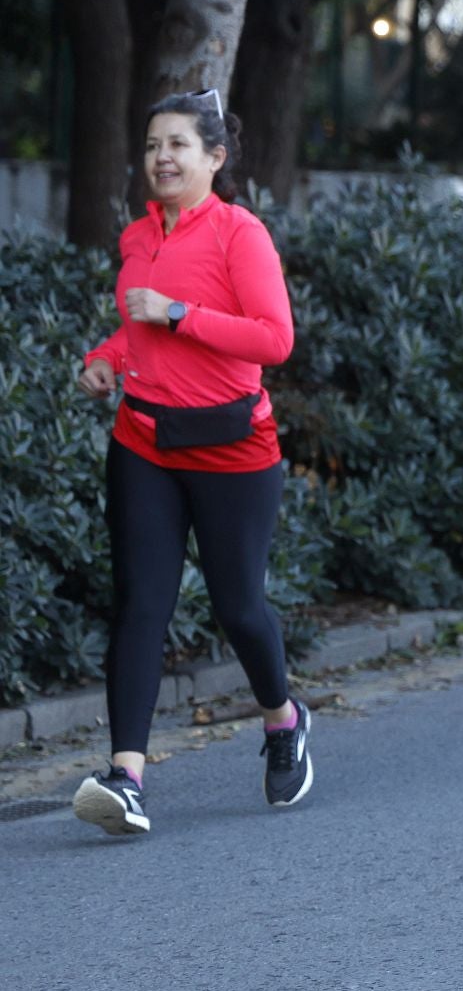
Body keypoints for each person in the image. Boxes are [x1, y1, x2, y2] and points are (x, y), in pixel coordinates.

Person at [71, 89, 307, 836]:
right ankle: (127, 778)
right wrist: (106, 358)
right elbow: (135, 330)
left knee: (239, 607)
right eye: (151, 146)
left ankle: (283, 720)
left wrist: (177, 313)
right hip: (143, 441)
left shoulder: (242, 235)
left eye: (178, 144)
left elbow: (274, 340)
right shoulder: (138, 236)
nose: (162, 158)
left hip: (232, 448)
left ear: (215, 156)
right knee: (142, 603)